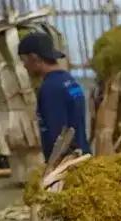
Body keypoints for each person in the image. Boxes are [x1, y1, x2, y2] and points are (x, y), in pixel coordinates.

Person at [18, 32, 91, 160]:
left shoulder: (50, 89)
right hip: (82, 155)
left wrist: (55, 166)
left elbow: (58, 136)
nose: (24, 66)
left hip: (67, 164)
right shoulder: (69, 81)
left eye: (24, 61)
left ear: (34, 58)